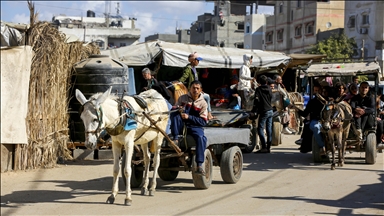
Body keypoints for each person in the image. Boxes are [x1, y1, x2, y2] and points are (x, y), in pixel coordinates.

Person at [170, 80, 208, 175]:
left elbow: (203, 121)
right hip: (181, 125)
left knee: (201, 138)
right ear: (190, 88)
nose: (195, 90)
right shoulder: (182, 98)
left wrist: (189, 117)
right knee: (174, 114)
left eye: (197, 88)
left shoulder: (203, 103)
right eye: (193, 88)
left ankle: (199, 165)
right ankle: (175, 139)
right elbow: (173, 109)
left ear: (200, 90)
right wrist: (178, 109)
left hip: (195, 126)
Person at [290, 82, 327, 156]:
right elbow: (305, 113)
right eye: (315, 91)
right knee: (315, 127)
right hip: (316, 121)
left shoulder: (326, 101)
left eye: (318, 90)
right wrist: (297, 109)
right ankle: (322, 146)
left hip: (327, 121)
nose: (317, 93)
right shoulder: (312, 102)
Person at [179, 52, 214, 120]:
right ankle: (209, 114)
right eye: (197, 60)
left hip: (196, 90)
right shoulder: (188, 68)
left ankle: (207, 114)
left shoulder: (194, 68)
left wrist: (200, 90)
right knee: (207, 97)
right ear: (193, 60)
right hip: (192, 90)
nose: (198, 62)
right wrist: (179, 82)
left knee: (206, 96)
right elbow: (184, 77)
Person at [141, 68, 173, 134]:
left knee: (167, 112)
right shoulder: (144, 82)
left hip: (159, 100)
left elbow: (162, 92)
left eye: (145, 75)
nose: (144, 76)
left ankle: (166, 132)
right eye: (143, 75)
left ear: (149, 74)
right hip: (149, 100)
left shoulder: (155, 82)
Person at [254, 75, 273, 153]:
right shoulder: (269, 88)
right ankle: (268, 147)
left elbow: (256, 100)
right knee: (269, 129)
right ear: (266, 82)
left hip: (264, 111)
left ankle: (264, 147)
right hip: (270, 110)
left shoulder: (258, 89)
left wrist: (255, 109)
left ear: (259, 82)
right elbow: (271, 97)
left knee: (260, 129)